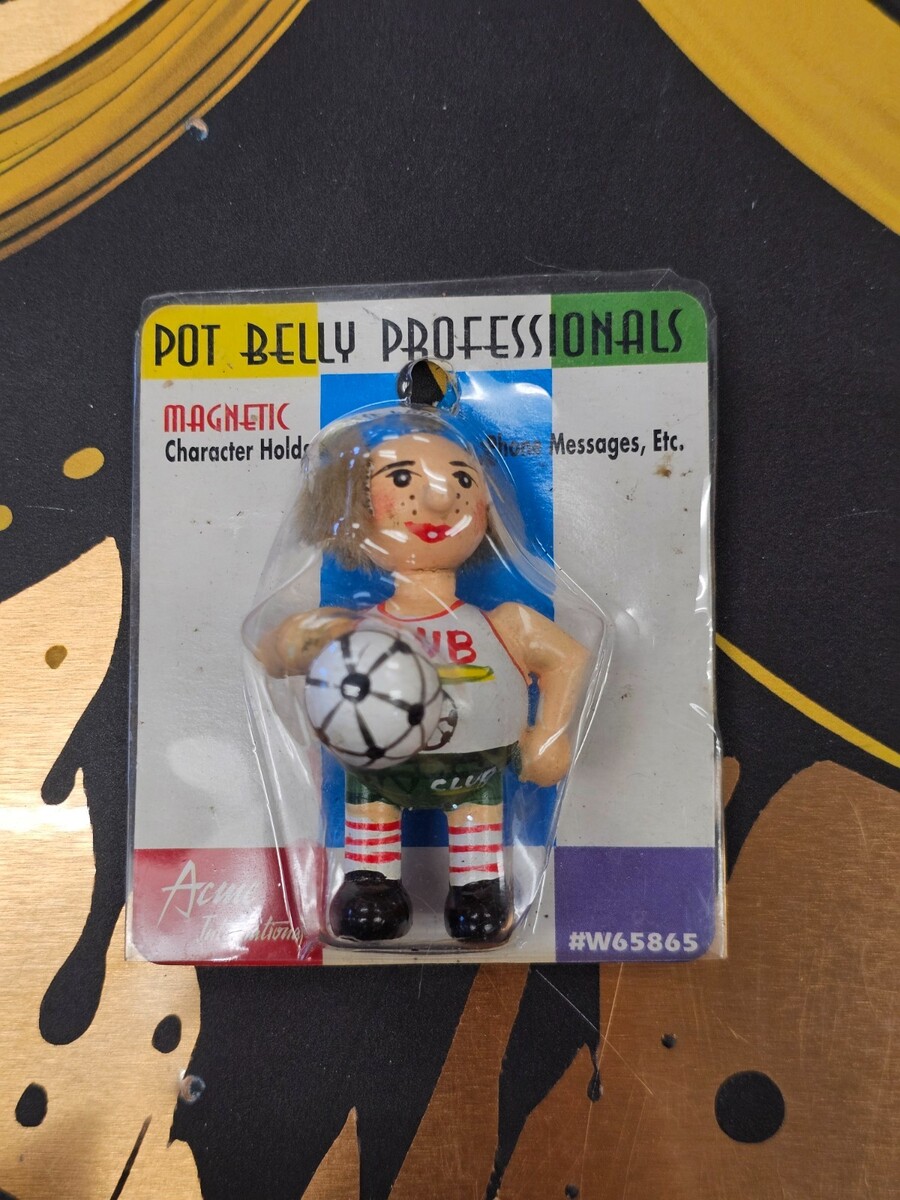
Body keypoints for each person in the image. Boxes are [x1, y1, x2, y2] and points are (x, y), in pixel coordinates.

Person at [254, 389, 588, 944]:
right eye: (403, 479)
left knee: (476, 811)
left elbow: (567, 657)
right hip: (377, 766)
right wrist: (294, 641)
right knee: (371, 801)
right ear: (353, 508)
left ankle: (478, 887)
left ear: (486, 507)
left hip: (477, 769)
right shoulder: (355, 629)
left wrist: (549, 734)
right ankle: (370, 881)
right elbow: (276, 653)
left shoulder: (507, 625)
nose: (438, 501)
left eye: (462, 481)